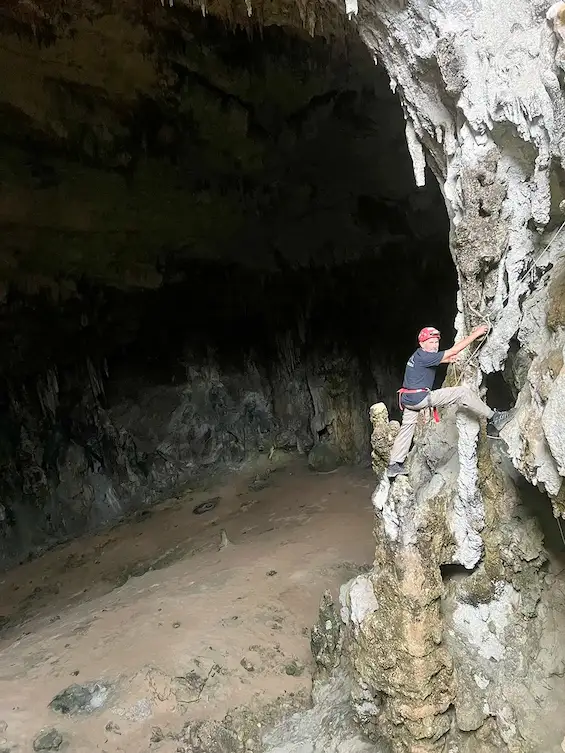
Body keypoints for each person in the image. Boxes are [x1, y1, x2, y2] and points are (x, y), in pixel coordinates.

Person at [386, 325, 509, 478]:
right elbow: (453, 350)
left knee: (407, 429)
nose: (435, 345)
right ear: (422, 343)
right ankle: (494, 417)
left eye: (436, 342)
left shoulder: (418, 355)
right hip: (421, 398)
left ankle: (394, 464)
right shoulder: (426, 356)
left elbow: (431, 362)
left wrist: (447, 360)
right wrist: (474, 335)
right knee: (462, 393)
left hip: (408, 400)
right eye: (431, 342)